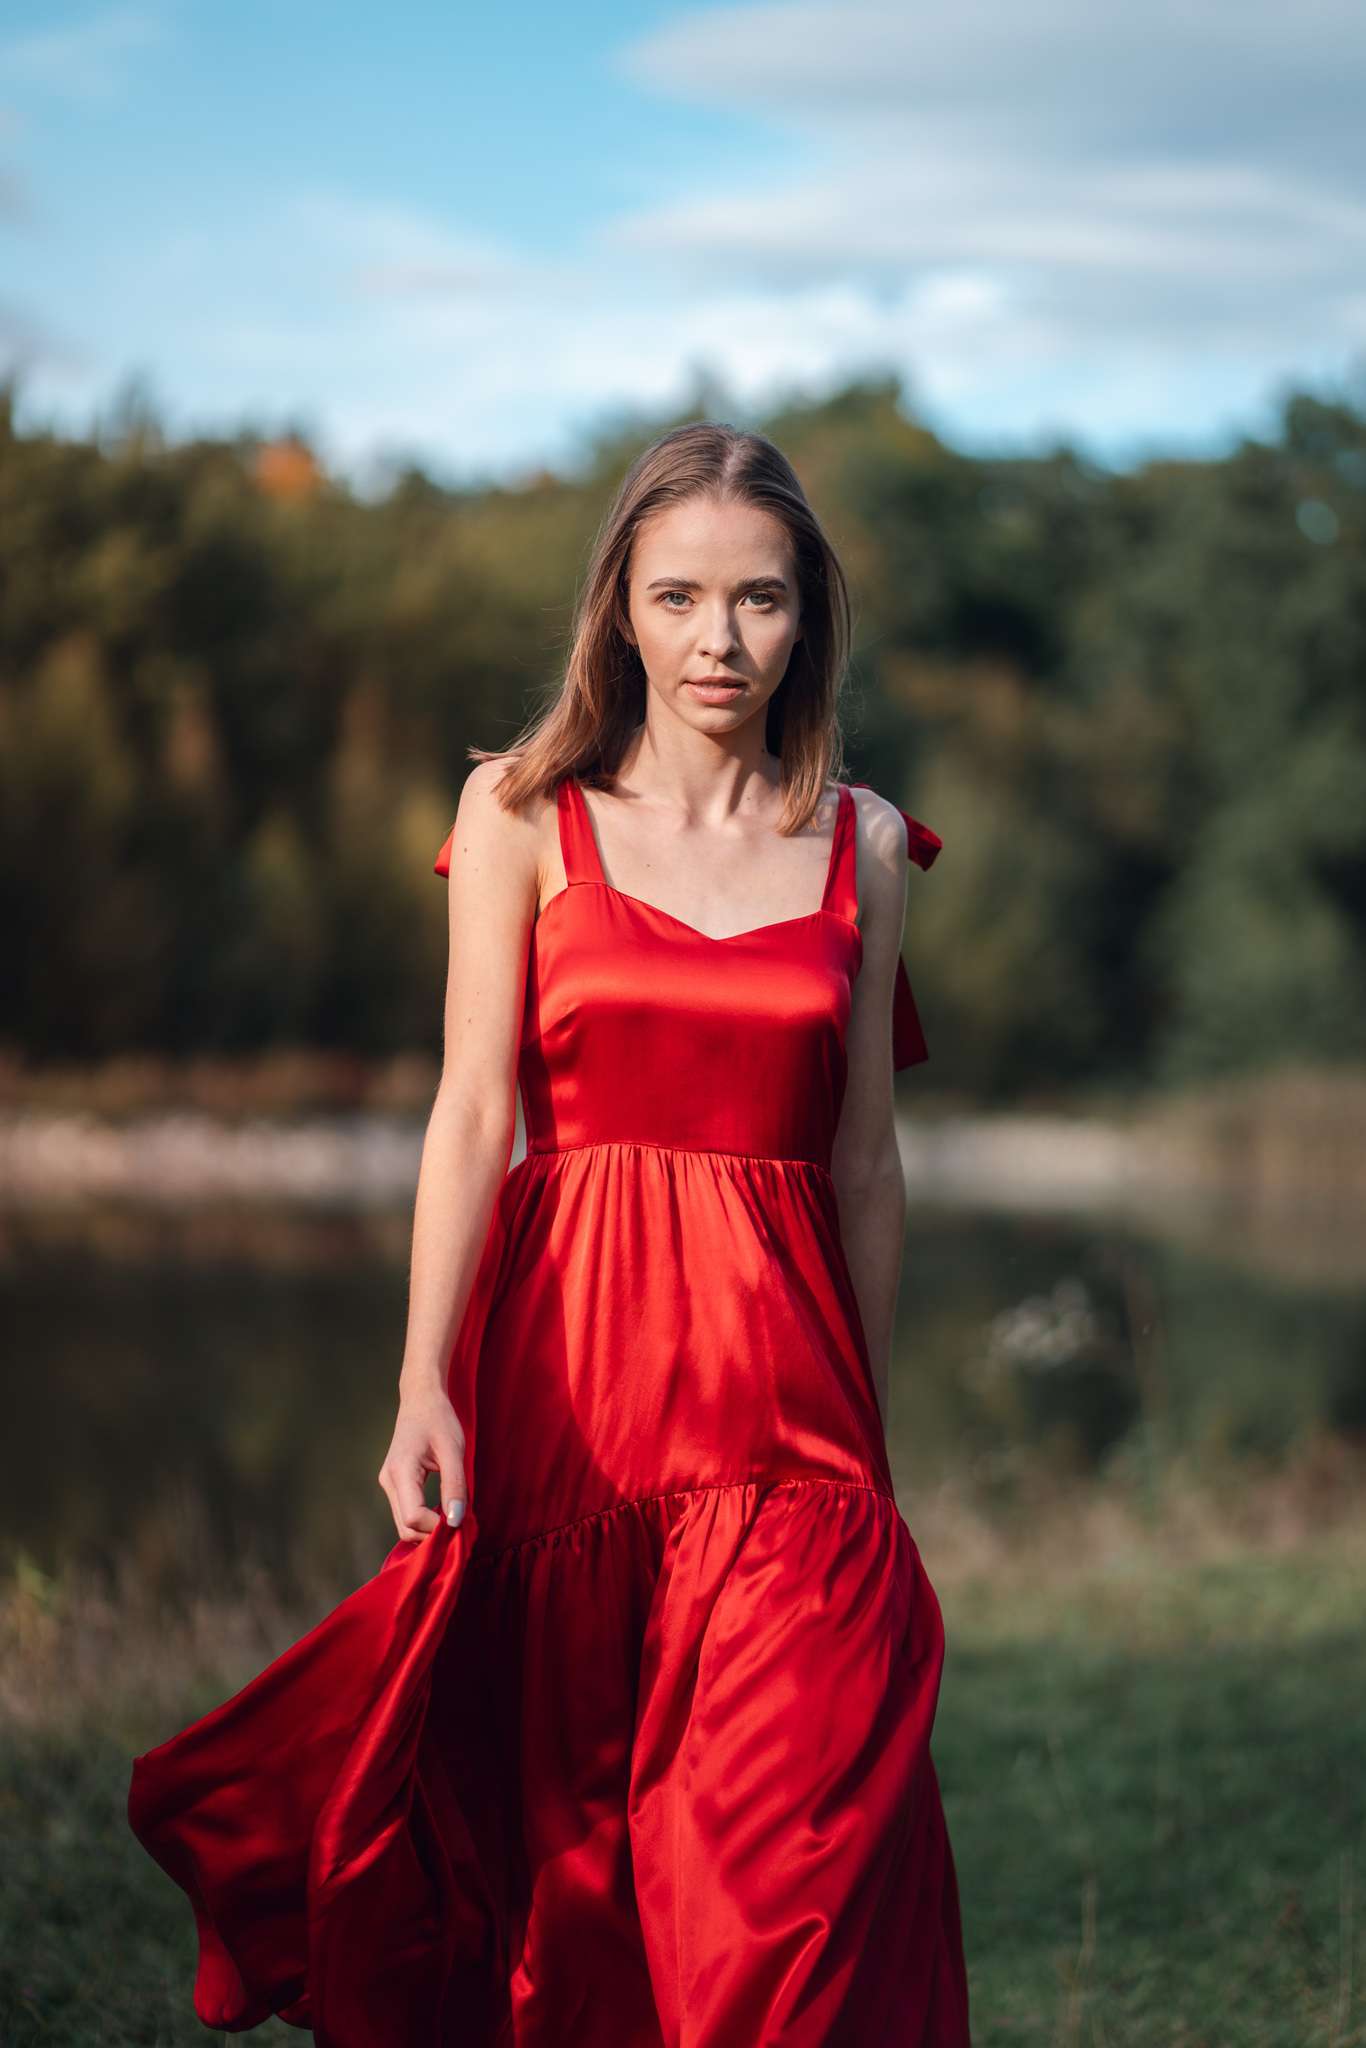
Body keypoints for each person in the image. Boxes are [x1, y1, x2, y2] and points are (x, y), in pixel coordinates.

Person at [128, 420, 972, 2045]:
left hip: (791, 1440)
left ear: (811, 617)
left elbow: (865, 1162)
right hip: (570, 1405)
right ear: (619, 611)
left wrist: (870, 1429)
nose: (718, 641)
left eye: (760, 600)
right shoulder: (521, 812)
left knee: (784, 1876)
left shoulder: (861, 845)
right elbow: (469, 1117)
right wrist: (417, 1384)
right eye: (677, 597)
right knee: (575, 1872)